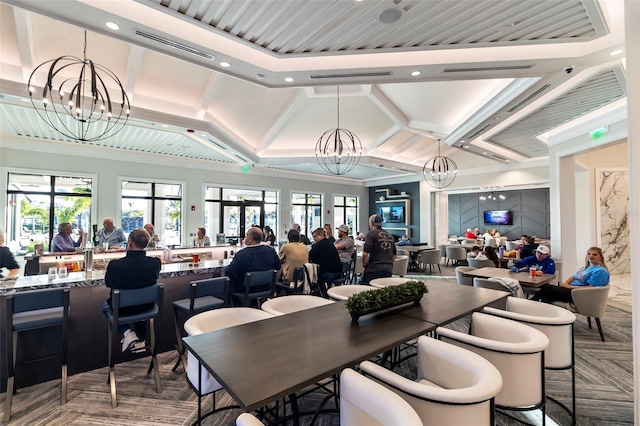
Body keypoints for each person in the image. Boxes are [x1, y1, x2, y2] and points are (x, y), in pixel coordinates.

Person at [102, 228, 161, 352]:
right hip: (147, 307)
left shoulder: (115, 265)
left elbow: (108, 283)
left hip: (122, 310)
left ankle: (127, 332)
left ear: (130, 242)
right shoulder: (155, 263)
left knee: (105, 307)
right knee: (141, 298)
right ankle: (141, 339)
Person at [532, 247, 609, 304]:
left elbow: (592, 288)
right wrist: (565, 283)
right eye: (589, 254)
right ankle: (543, 313)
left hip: (579, 294)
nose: (591, 256)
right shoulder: (586, 267)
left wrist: (569, 286)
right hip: (571, 289)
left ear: (600, 257)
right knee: (547, 295)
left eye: (594, 255)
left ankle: (531, 304)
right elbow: (574, 277)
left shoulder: (600, 271)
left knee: (548, 289)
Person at [225, 226, 281, 294]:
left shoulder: (241, 255)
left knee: (229, 287)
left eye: (246, 235)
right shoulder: (271, 251)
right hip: (267, 288)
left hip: (245, 290)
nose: (245, 238)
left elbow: (229, 272)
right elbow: (278, 266)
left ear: (250, 238)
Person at [361, 214, 396, 285]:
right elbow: (394, 255)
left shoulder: (370, 234)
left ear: (371, 223)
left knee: (366, 290)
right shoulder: (390, 236)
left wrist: (365, 265)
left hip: (373, 269)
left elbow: (365, 254)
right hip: (388, 269)